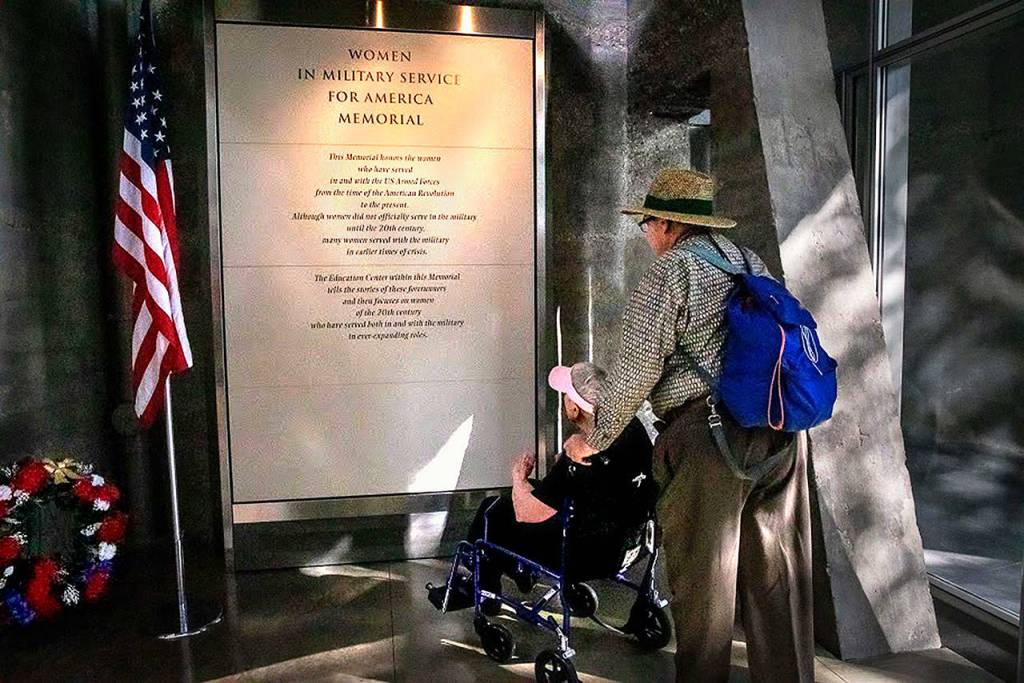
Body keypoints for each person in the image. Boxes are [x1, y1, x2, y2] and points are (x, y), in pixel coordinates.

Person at [563, 168, 814, 682]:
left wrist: (594, 438)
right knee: (779, 576)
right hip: (781, 432)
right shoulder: (749, 262)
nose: (647, 235)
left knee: (706, 589)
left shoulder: (669, 272)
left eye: (647, 225)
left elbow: (634, 373)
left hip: (709, 440)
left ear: (668, 225)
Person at [428, 361, 656, 612]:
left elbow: (526, 512)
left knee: (494, 510)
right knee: (536, 496)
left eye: (566, 397)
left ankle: (483, 588)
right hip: (629, 546)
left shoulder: (576, 456)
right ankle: (515, 570)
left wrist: (519, 478)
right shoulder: (635, 431)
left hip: (580, 555)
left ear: (573, 407)